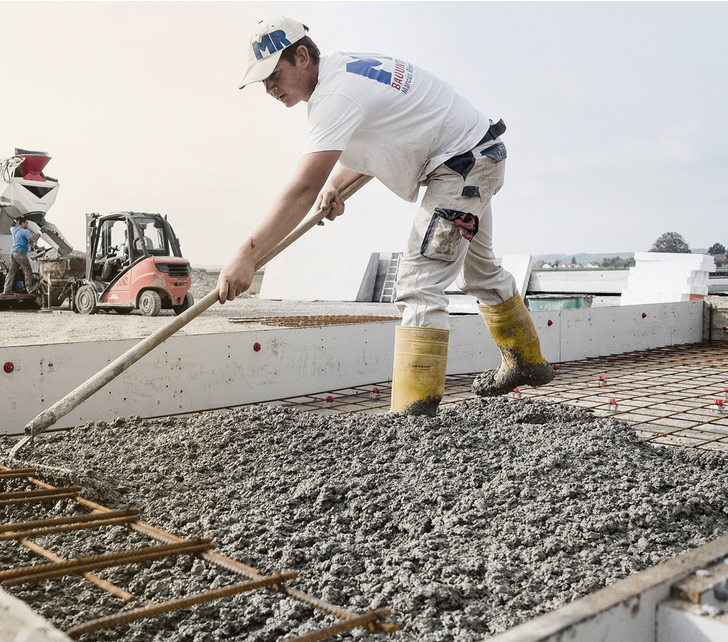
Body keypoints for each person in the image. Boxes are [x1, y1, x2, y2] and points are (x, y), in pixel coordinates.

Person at [218, 17, 553, 415]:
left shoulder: (335, 96)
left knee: (417, 285)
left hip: (461, 168)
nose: (270, 88)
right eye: (263, 81)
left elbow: (303, 188)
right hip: (477, 156)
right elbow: (380, 138)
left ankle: (414, 414)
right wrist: (335, 187)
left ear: (302, 56)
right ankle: (527, 360)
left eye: (274, 74)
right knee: (477, 271)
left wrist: (247, 254)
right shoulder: (345, 69)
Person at [2, 216, 40, 295]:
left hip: (12, 253)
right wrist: (40, 232)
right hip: (20, 253)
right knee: (28, 270)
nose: (27, 225)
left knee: (11, 272)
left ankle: (6, 290)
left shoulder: (14, 230)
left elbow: (11, 226)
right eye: (26, 223)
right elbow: (33, 240)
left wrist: (15, 220)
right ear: (22, 224)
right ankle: (30, 289)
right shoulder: (25, 232)